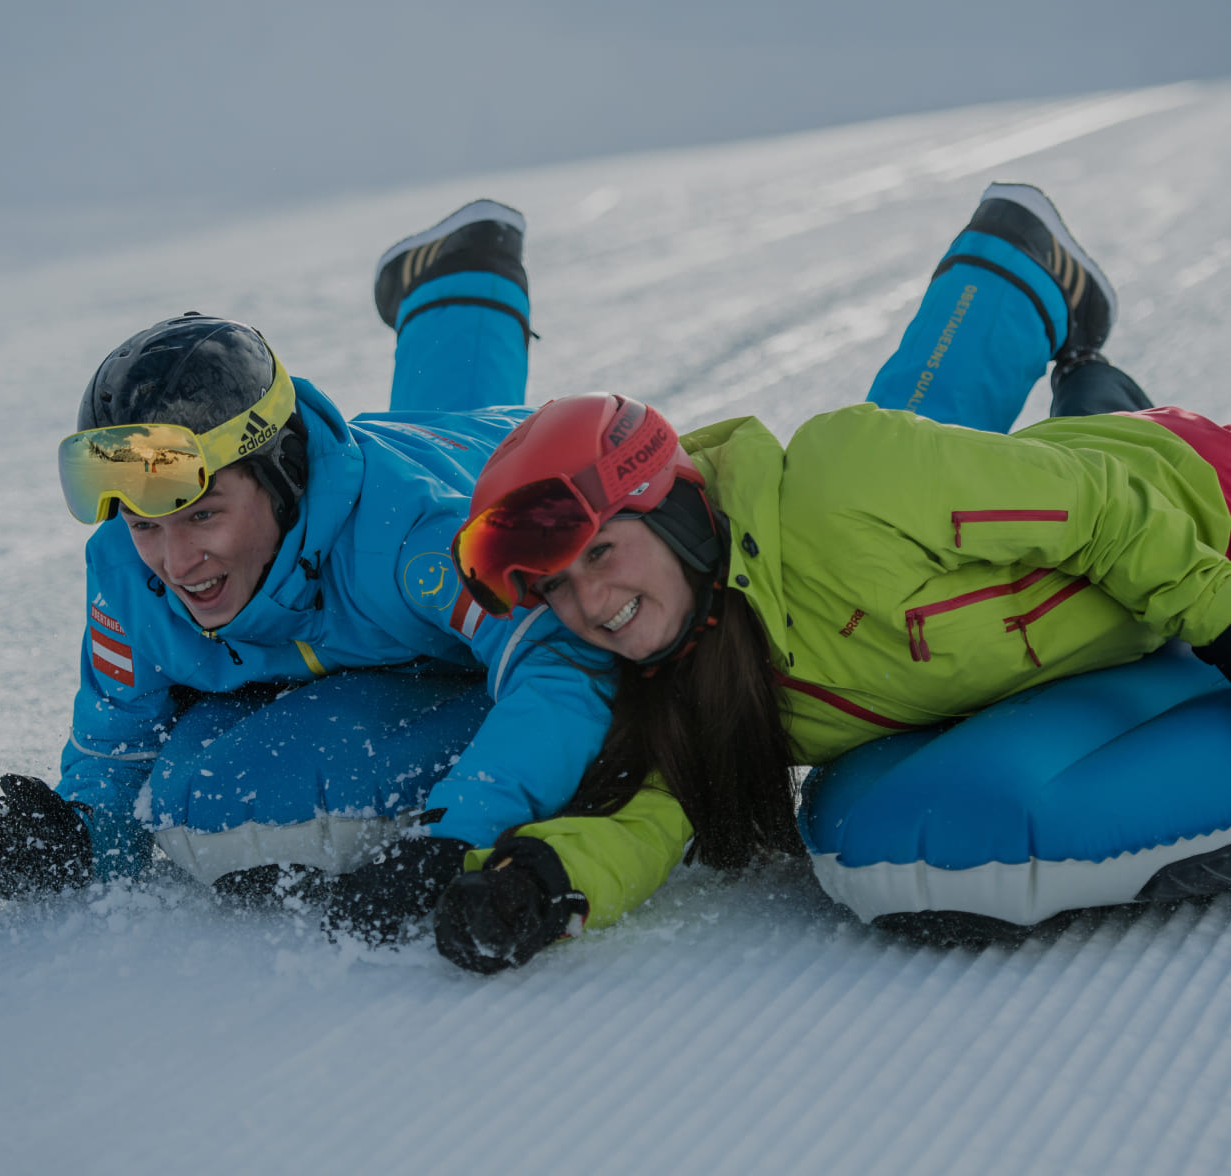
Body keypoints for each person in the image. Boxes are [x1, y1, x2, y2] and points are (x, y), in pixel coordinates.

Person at [433, 182, 1231, 973]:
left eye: (600, 553)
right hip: (1091, 608)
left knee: (1051, 461)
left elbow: (1101, 513)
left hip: (1202, 495)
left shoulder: (844, 481)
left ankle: (1027, 276)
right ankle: (1075, 355)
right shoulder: (692, 674)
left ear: (672, 511)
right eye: (558, 587)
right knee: (1048, 453)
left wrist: (1221, 617)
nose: (589, 605)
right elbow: (651, 818)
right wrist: (543, 880)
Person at [0, 200, 614, 944]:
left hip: (493, 470)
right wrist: (66, 839)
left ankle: (472, 278)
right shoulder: (129, 576)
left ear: (284, 474)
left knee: (467, 431)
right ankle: (464, 266)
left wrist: (454, 836)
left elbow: (564, 664)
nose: (178, 562)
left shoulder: (420, 540)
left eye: (204, 515)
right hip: (386, 537)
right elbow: (117, 756)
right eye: (147, 524)